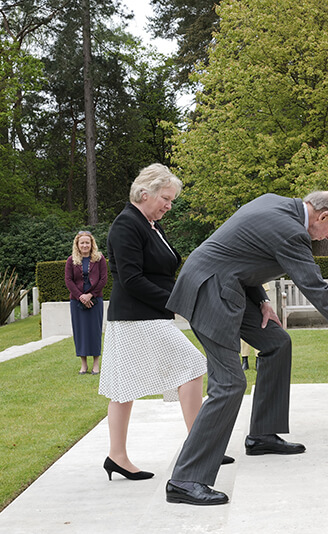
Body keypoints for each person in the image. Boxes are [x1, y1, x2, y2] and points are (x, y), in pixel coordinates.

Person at [164, 191, 328, 505]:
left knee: (277, 341)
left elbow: (242, 250)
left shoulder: (274, 203)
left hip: (227, 284)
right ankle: (185, 479)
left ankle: (262, 434)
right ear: (323, 216)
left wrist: (262, 300)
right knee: (230, 383)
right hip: (210, 292)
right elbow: (318, 291)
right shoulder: (291, 233)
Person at [97, 163, 216, 482]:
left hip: (148, 315)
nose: (169, 205)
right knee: (191, 366)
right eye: (166, 198)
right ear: (144, 193)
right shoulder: (126, 225)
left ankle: (117, 457)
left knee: (123, 388)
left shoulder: (150, 224)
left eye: (172, 200)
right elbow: (132, 279)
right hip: (135, 317)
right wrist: (177, 303)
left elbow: (162, 270)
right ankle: (197, 444)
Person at [65, 231, 108, 375]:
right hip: (77, 301)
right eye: (82, 243)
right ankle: (83, 365)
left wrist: (90, 295)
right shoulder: (71, 260)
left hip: (95, 300)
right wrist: (80, 296)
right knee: (80, 332)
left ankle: (96, 365)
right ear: (77, 244)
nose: (85, 245)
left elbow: (103, 279)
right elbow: (68, 280)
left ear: (91, 244)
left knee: (94, 331)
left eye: (87, 243)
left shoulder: (99, 259)